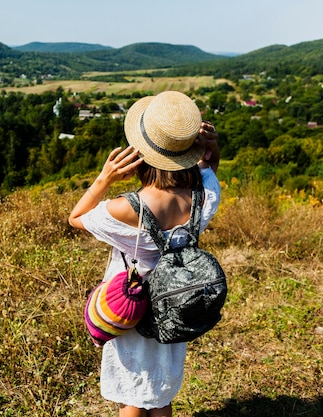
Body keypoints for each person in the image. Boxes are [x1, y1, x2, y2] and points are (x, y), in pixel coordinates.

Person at [69, 91, 221, 417]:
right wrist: (211, 154)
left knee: (132, 395)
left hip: (133, 304)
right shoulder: (203, 194)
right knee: (160, 391)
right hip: (176, 301)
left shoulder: (126, 208)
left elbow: (75, 218)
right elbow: (209, 173)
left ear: (142, 154)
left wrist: (104, 178)